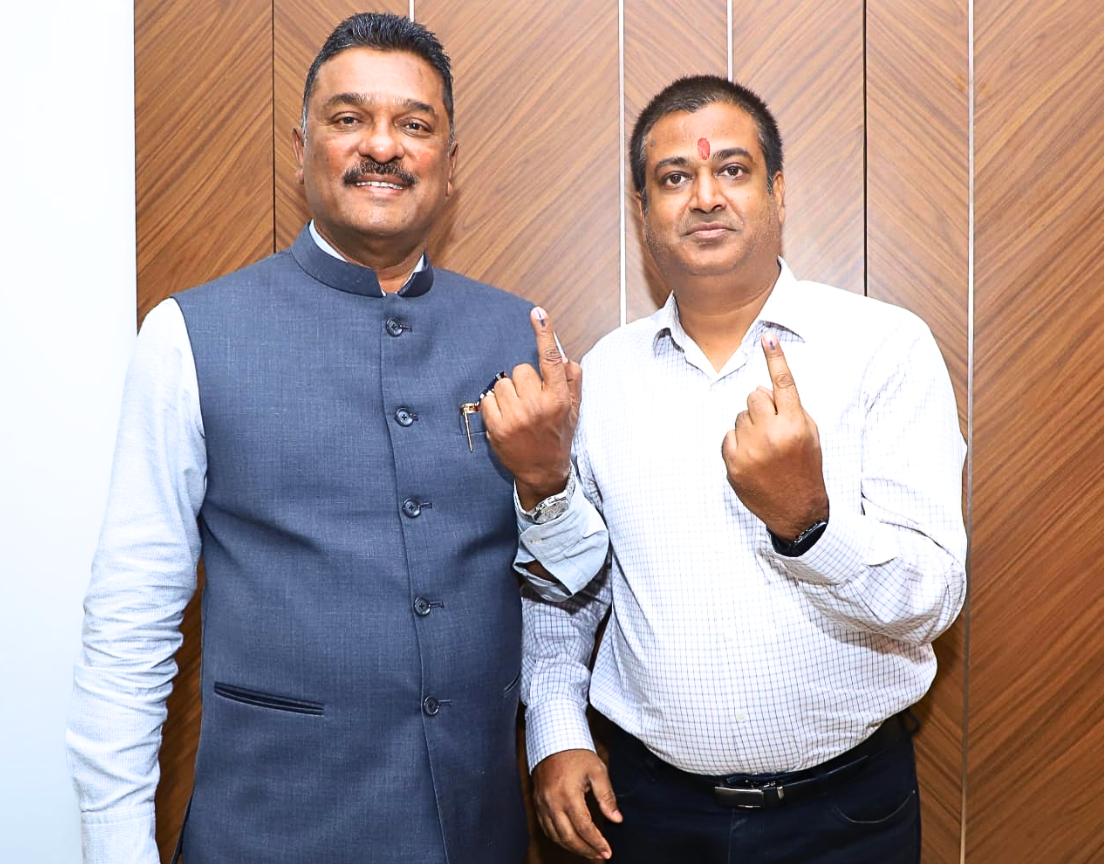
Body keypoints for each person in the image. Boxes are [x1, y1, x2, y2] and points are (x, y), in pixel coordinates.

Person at [66, 13, 554, 864]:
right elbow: (131, 617)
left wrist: (549, 484)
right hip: (269, 829)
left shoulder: (522, 336)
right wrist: (116, 846)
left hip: (474, 833)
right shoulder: (188, 334)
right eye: (348, 118)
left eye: (415, 124)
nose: (383, 146)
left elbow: (566, 585)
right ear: (301, 147)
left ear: (449, 160)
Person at [482, 75, 966, 863]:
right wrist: (556, 732)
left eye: (732, 170)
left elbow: (932, 603)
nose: (705, 195)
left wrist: (809, 524)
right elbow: (567, 587)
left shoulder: (884, 349)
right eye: (675, 177)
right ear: (643, 213)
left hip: (847, 816)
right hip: (649, 813)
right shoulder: (603, 378)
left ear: (777, 191)